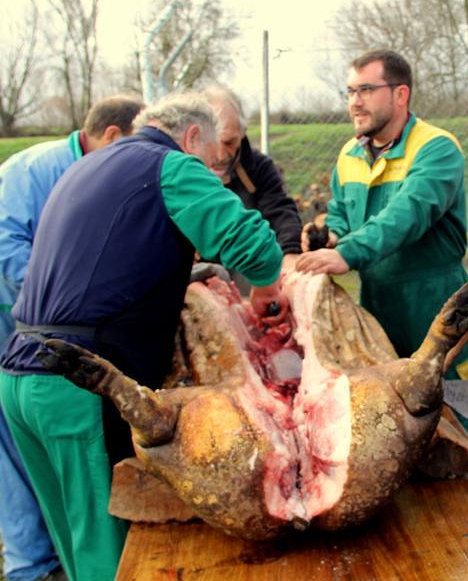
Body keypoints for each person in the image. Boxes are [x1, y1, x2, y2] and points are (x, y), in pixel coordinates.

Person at [0, 92, 287, 581]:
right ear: (192, 136)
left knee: (74, 541)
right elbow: (253, 245)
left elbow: (104, 264)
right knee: (109, 554)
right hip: (80, 383)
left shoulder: (88, 167)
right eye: (213, 160)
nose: (214, 171)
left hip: (19, 377)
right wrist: (266, 286)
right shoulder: (169, 164)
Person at [295, 49, 468, 449]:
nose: (354, 101)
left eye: (366, 89)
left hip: (437, 307)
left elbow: (408, 214)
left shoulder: (437, 148)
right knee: (393, 434)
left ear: (401, 95)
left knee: (454, 439)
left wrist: (347, 252)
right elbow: (341, 217)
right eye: (350, 91)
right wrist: (326, 235)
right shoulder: (350, 155)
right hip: (378, 316)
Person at [0, 95, 143, 581]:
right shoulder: (34, 171)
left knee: (46, 460)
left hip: (47, 331)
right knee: (20, 457)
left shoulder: (92, 174)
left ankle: (58, 560)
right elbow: (7, 247)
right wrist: (66, 300)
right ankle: (31, 565)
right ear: (110, 136)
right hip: (15, 325)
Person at [202, 86, 302, 278]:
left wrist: (290, 254)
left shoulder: (259, 167)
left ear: (243, 132)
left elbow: (280, 212)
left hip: (248, 273)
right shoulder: (181, 171)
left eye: (230, 142)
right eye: (214, 143)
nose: (222, 155)